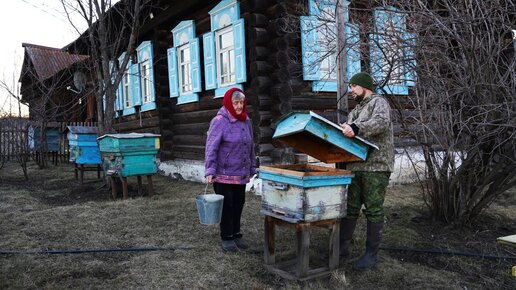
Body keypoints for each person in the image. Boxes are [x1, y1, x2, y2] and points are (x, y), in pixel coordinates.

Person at [339, 72, 394, 269]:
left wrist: (356, 128)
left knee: (373, 209)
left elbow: (380, 122)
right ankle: (341, 249)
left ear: (365, 86)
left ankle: (371, 255)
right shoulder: (355, 111)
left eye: (354, 86)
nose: (351, 90)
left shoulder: (378, 102)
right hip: (356, 166)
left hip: (376, 166)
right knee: (350, 207)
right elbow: (352, 129)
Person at [205, 88, 257, 252]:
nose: (239, 106)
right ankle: (226, 237)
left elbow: (250, 146)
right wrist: (210, 170)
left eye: (241, 102)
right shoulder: (219, 121)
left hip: (240, 173)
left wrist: (251, 166)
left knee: (239, 203)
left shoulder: (246, 121)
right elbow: (211, 147)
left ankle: (236, 233)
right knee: (227, 205)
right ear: (229, 103)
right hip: (223, 173)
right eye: (236, 102)